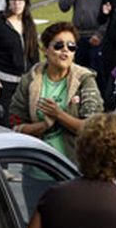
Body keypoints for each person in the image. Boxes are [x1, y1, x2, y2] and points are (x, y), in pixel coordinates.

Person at [9, 22, 101, 163]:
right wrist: (44, 126)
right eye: (59, 45)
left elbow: (93, 128)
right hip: (36, 169)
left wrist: (59, 115)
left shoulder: (84, 80)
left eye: (71, 47)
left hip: (73, 169)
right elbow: (15, 125)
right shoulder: (30, 79)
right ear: (45, 49)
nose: (65, 50)